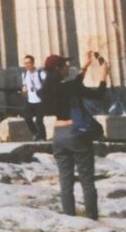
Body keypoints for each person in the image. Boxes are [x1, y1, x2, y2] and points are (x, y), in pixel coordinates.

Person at [40, 53, 102, 218]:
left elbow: (75, 84)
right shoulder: (69, 87)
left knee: (65, 181)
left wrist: (85, 67)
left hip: (58, 135)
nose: (68, 68)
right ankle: (91, 217)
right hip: (75, 133)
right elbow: (99, 94)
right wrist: (104, 75)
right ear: (59, 68)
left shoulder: (47, 90)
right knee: (87, 179)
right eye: (65, 65)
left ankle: (69, 217)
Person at [18, 55, 46, 142]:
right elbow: (25, 85)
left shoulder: (40, 73)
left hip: (40, 100)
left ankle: (42, 136)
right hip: (30, 100)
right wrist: (24, 89)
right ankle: (35, 134)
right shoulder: (25, 74)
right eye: (25, 63)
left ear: (33, 63)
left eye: (28, 63)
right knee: (27, 118)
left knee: (39, 120)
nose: (27, 65)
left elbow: (46, 83)